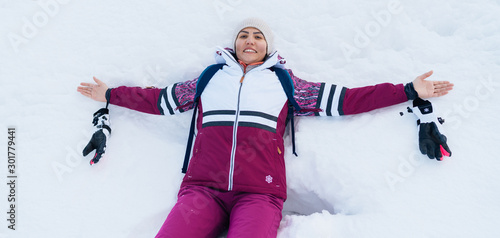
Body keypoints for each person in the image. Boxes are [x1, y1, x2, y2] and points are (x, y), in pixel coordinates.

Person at [77, 18, 453, 238]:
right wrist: (110, 94)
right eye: (243, 36)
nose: (250, 40)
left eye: (257, 36)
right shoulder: (208, 79)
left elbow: (346, 100)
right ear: (235, 45)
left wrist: (407, 90)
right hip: (202, 190)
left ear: (267, 47)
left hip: (259, 194)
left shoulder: (287, 84)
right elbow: (160, 100)